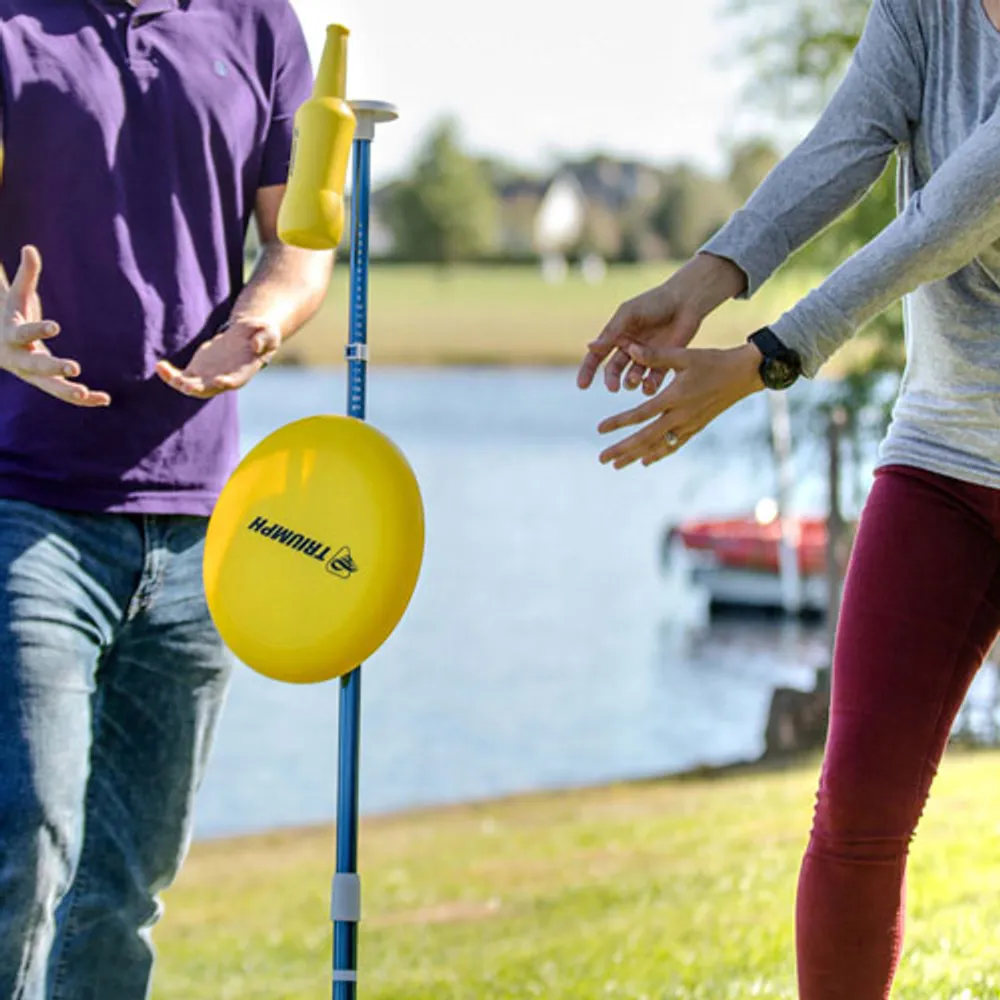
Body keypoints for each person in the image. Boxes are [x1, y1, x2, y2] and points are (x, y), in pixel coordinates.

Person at [579, 0, 1000, 997]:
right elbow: (841, 144)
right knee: (856, 813)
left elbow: (948, 220)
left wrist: (770, 354)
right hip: (943, 454)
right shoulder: (924, 9)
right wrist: (707, 278)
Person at [0, 1, 334, 998]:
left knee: (128, 889)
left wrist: (262, 321)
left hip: (202, 524)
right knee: (26, 846)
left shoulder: (259, 23)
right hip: (27, 502)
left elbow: (300, 238)